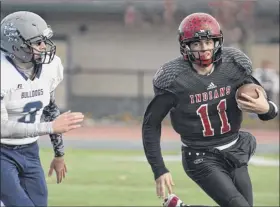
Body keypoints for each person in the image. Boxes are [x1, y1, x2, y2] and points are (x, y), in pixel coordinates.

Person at [142, 13, 278, 207]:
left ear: (218, 41)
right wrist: (159, 168)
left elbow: (267, 112)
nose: (204, 48)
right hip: (201, 156)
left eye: (208, 41)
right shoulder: (174, 79)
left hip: (235, 149)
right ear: (185, 45)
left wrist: (267, 107)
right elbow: (150, 124)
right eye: (196, 44)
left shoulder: (234, 65)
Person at [0, 11, 84, 206]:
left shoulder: (49, 68)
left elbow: (50, 109)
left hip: (30, 149)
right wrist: (49, 127)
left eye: (44, 41)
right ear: (17, 45)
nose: (44, 47)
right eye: (37, 43)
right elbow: (1, 128)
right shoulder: (3, 72)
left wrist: (59, 154)